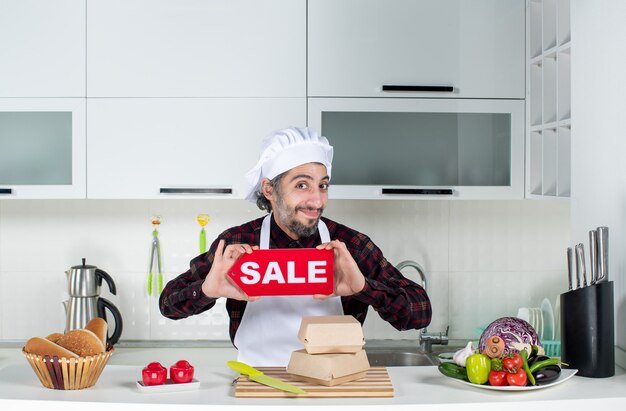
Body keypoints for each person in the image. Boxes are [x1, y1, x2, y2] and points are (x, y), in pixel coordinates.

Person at [159, 127, 431, 366]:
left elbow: (419, 313)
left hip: (333, 386)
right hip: (257, 386)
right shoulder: (237, 245)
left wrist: (363, 288)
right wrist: (207, 290)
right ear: (269, 190)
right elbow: (168, 304)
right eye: (302, 185)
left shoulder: (350, 247)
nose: (317, 201)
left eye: (323, 186)